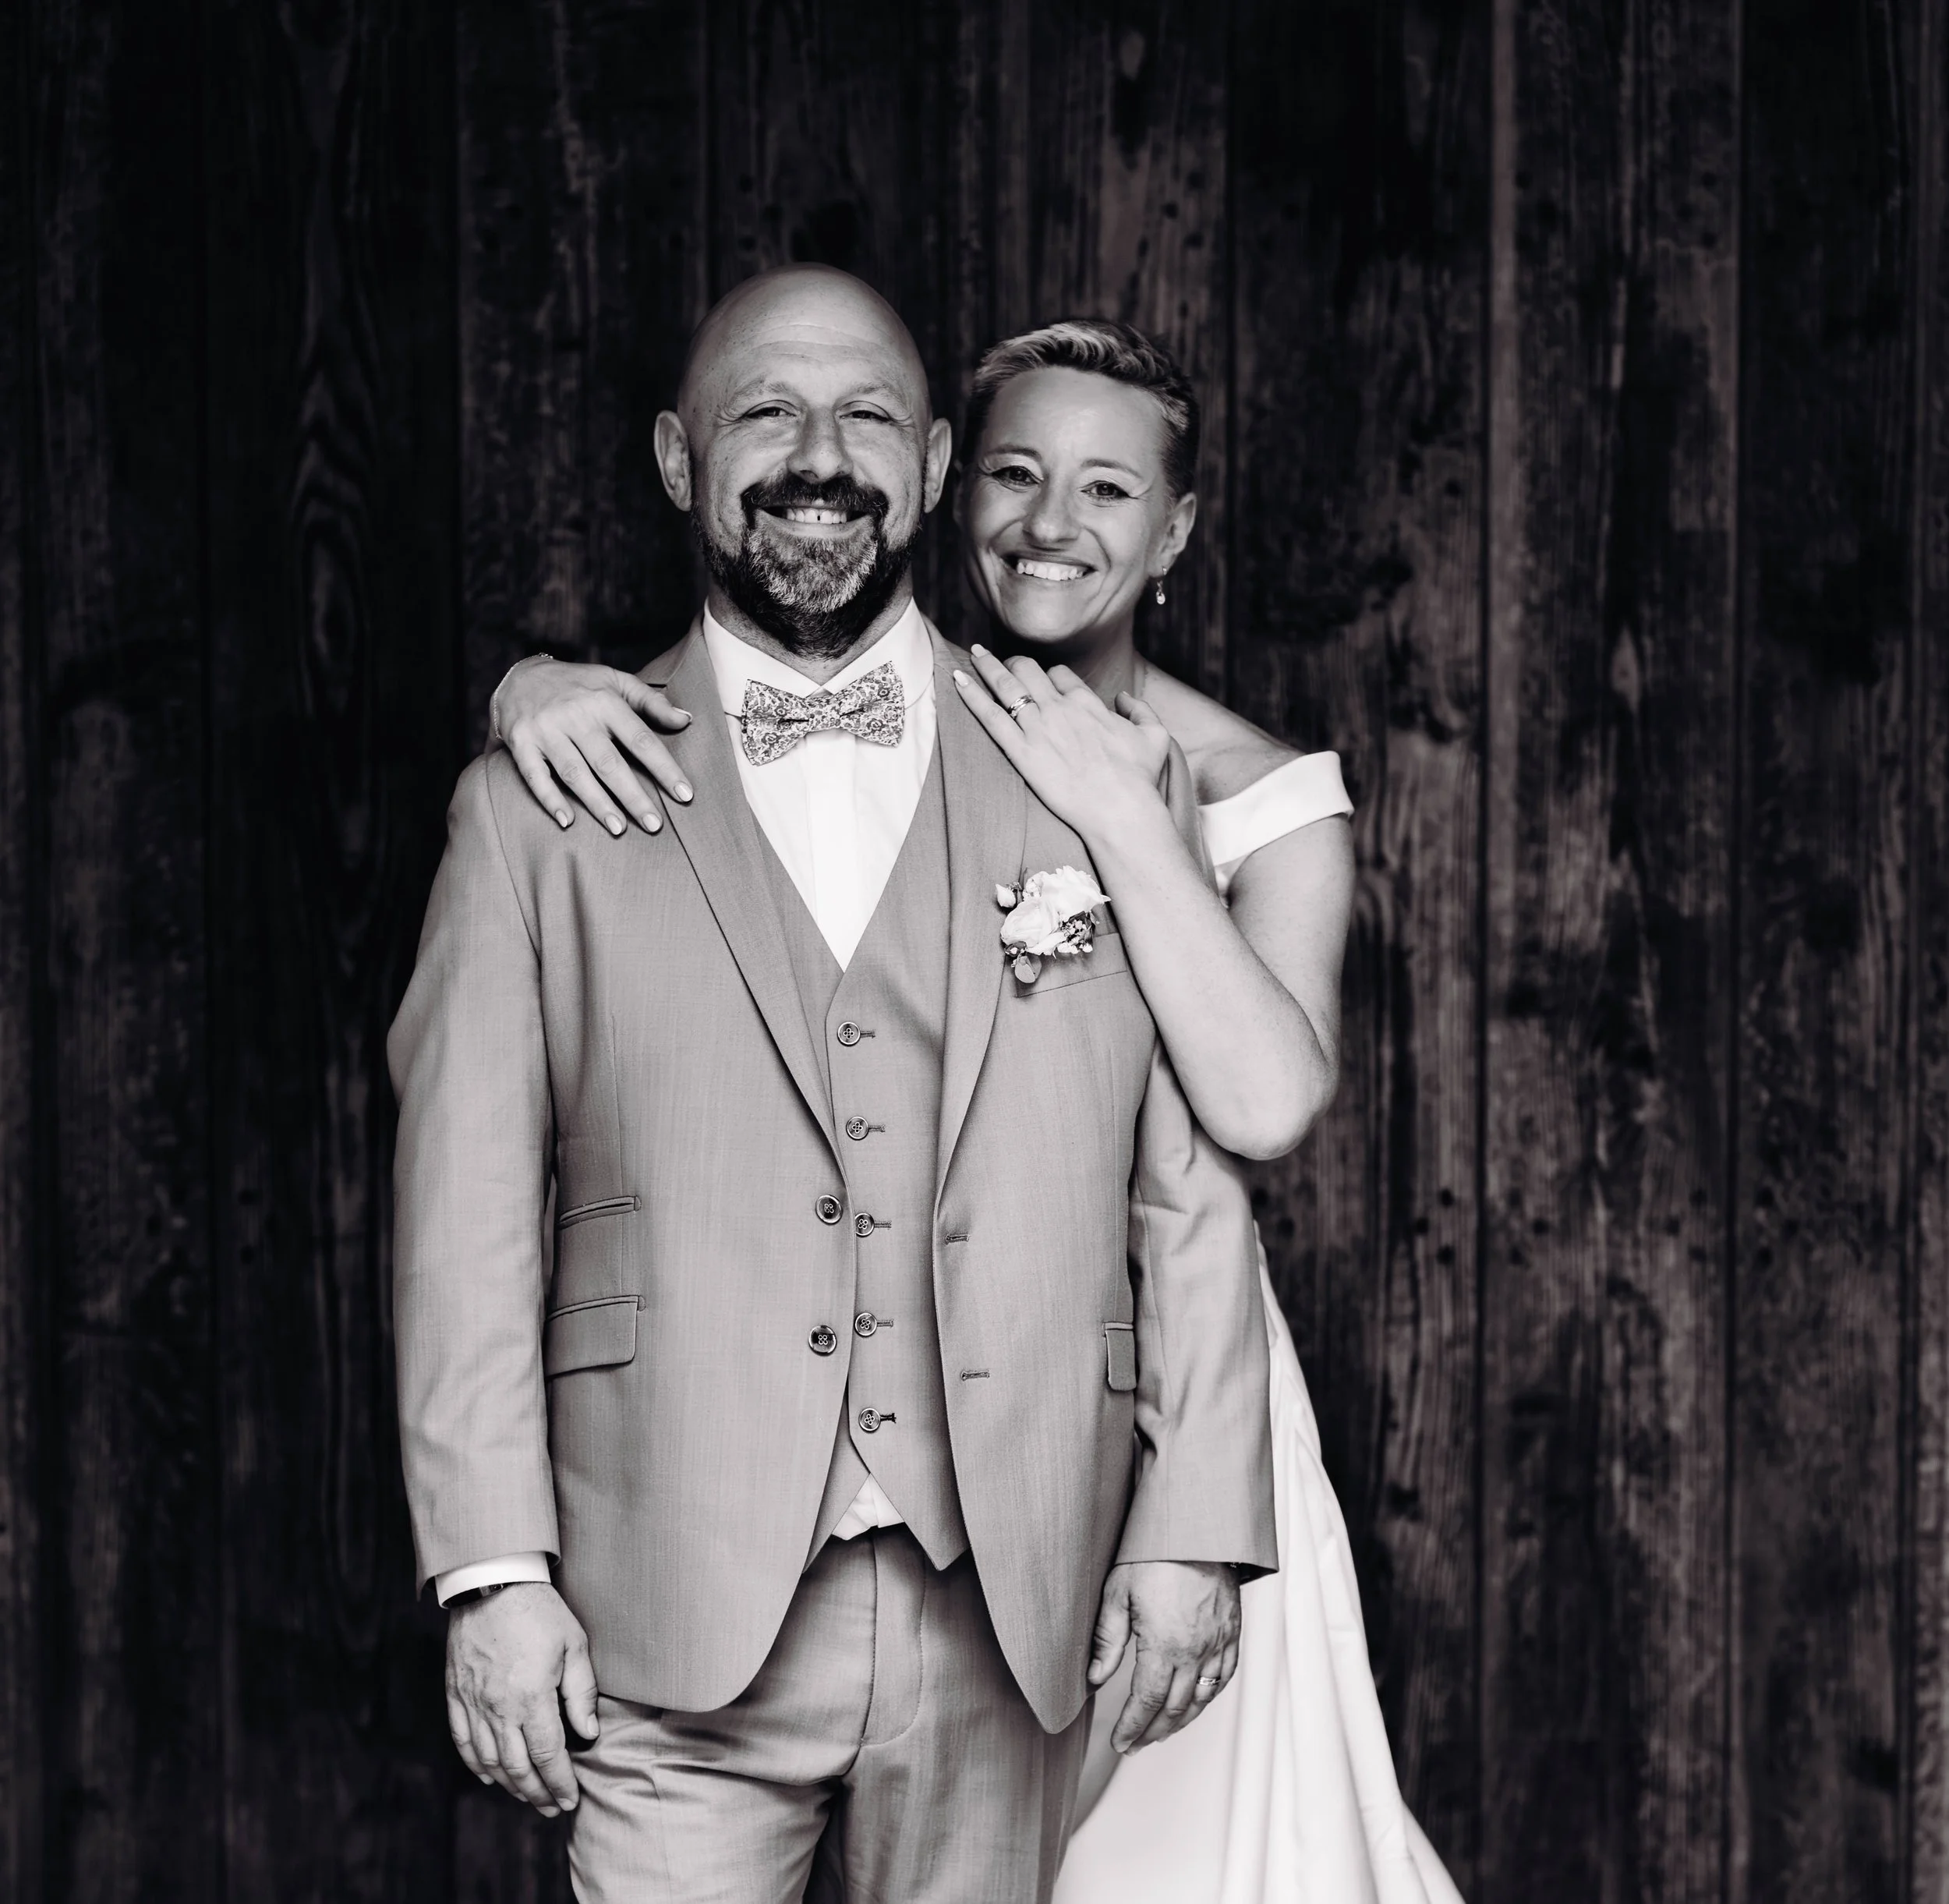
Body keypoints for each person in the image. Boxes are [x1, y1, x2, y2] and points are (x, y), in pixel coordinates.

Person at [490, 310, 1466, 1904]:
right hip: (793, 1496)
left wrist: (1126, 820)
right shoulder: (894, 690)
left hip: (1137, 1411)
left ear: (1175, 527)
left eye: (1103, 490)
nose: (1046, 526)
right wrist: (527, 686)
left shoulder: (1246, 784)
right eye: (1014, 475)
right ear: (948, 486)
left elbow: (1260, 1109)